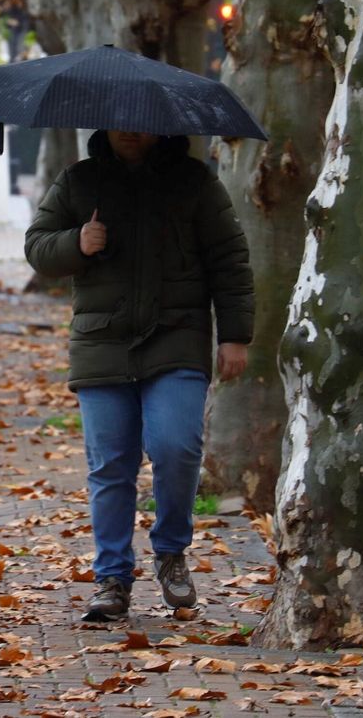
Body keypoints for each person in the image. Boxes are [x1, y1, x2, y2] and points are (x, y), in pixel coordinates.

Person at [24, 129, 253, 622]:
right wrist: (76, 243)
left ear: (161, 125)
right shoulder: (79, 181)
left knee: (176, 446)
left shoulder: (194, 182)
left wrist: (235, 335)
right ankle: (112, 578)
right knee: (110, 465)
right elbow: (38, 249)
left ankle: (171, 551)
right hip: (101, 343)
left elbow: (229, 260)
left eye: (140, 121)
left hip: (177, 338)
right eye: (119, 121)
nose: (130, 130)